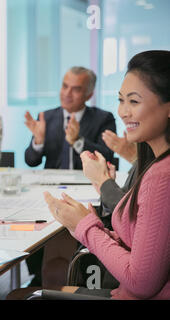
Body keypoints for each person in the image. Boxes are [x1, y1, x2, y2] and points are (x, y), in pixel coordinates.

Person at [40, 50, 169, 300]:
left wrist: (84, 227)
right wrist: (99, 229)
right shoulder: (157, 166)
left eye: (134, 101)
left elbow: (141, 283)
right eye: (121, 100)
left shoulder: (161, 176)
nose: (123, 112)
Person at [24, 66, 116, 170]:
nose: (67, 94)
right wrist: (38, 142)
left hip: (87, 183)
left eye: (76, 89)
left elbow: (107, 157)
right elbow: (31, 162)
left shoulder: (103, 119)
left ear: (89, 95)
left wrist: (77, 141)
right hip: (52, 183)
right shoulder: (46, 118)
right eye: (65, 86)